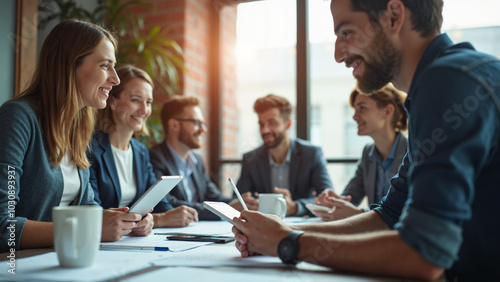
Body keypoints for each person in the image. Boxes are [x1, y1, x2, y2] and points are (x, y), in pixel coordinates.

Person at [232, 0, 500, 280]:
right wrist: (281, 233)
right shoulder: (444, 80)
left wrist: (289, 244)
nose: (337, 55)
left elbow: (422, 254)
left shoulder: (447, 81)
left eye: (345, 32)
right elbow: (388, 216)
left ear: (393, 16)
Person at [0, 19, 151, 253]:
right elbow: (3, 227)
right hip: (18, 266)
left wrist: (124, 222)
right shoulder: (18, 117)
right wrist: (88, 228)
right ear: (70, 66)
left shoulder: (76, 131)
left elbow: (87, 207)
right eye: (104, 65)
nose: (115, 78)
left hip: (65, 258)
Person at [88, 65, 198, 227]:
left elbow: (158, 202)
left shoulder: (140, 151)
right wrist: (159, 220)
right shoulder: (91, 148)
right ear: (113, 102)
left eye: (148, 102)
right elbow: (93, 212)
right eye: (135, 100)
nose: (144, 110)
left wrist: (173, 214)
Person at [149, 95, 256, 220]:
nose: (203, 129)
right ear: (174, 125)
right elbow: (168, 204)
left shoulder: (197, 161)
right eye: (196, 123)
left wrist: (236, 203)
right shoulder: (154, 158)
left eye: (203, 123)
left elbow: (213, 196)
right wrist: (227, 208)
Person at [314, 84, 407, 221]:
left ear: (388, 111)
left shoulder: (412, 152)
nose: (354, 116)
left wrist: (358, 213)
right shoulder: (368, 153)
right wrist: (333, 200)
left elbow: (405, 212)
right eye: (355, 109)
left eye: (362, 108)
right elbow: (351, 197)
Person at [236, 94, 333, 217]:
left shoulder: (311, 154)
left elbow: (328, 199)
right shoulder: (251, 159)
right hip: (263, 229)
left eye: (272, 123)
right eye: (261, 124)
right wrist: (247, 203)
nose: (265, 130)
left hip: (302, 228)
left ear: (287, 124)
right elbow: (237, 200)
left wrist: (295, 207)